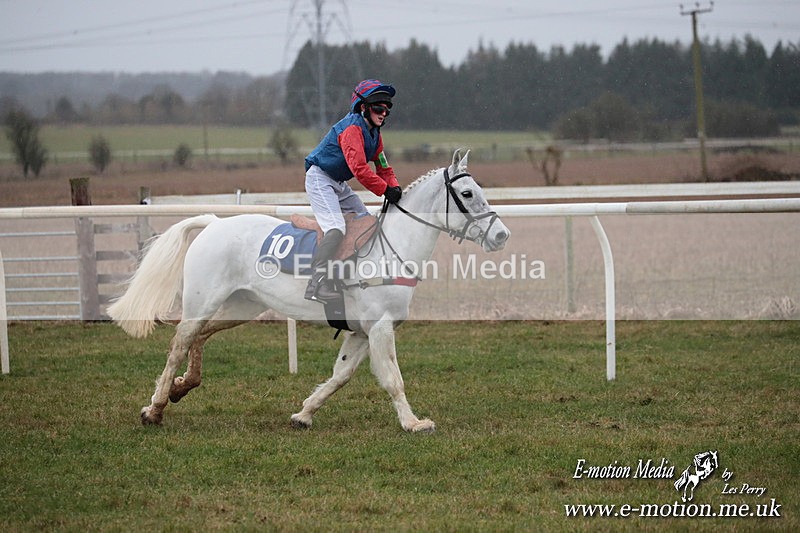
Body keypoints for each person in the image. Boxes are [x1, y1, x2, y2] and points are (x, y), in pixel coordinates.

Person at [303, 79, 403, 303]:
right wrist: (385, 190)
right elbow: (359, 168)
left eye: (387, 109)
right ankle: (316, 283)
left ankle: (348, 273)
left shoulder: (375, 135)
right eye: (379, 108)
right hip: (320, 178)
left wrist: (394, 186)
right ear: (363, 107)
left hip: (338, 183)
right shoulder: (351, 130)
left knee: (365, 222)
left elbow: (384, 167)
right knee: (336, 228)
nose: (383, 113)